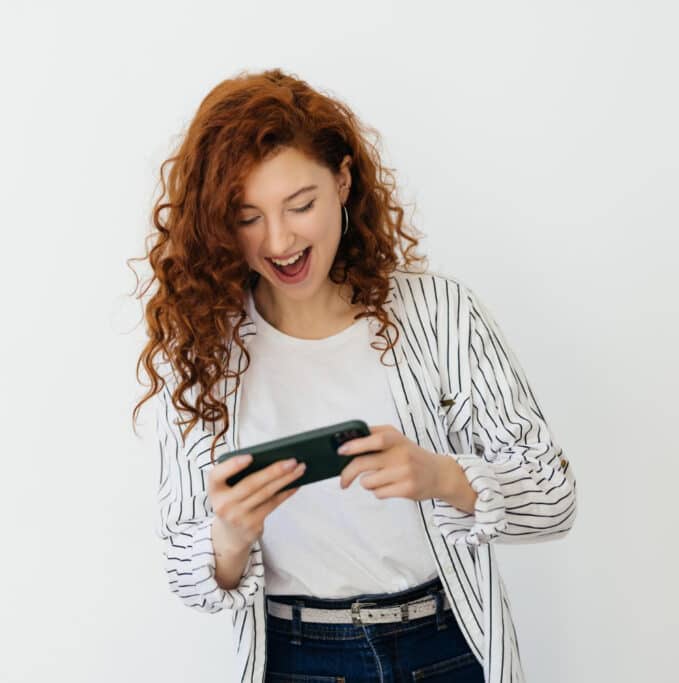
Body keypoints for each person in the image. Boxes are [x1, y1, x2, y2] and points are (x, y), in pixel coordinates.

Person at [130, 68, 578, 683]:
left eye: (301, 205)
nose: (280, 240)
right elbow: (188, 575)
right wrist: (231, 536)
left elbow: (554, 498)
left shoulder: (441, 314)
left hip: (447, 649)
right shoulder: (203, 348)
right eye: (247, 216)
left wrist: (442, 476)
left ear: (343, 181)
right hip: (297, 659)